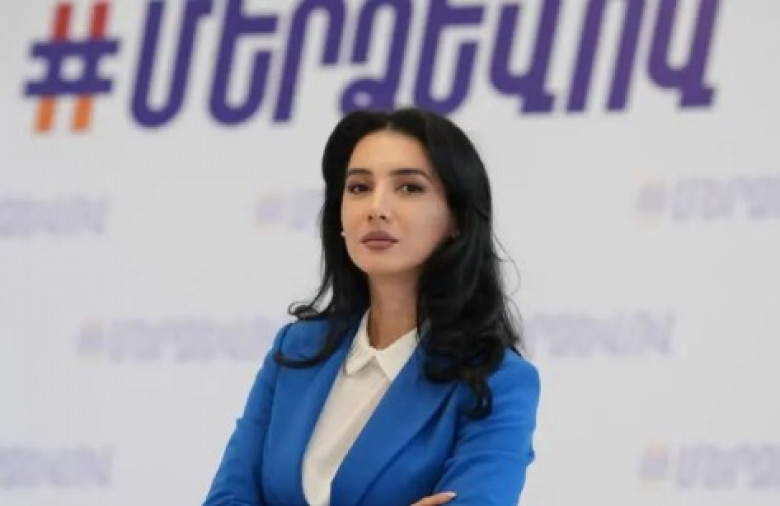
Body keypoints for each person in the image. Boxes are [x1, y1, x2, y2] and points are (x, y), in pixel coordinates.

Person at [203, 108, 540, 506]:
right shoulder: (296, 350)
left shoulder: (498, 381)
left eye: (409, 188)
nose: (376, 208)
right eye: (359, 187)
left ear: (457, 218)